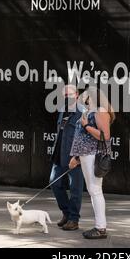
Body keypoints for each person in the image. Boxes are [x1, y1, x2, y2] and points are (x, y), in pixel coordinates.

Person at [68, 86, 114, 239]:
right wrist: (76, 157)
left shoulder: (100, 111)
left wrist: (86, 126)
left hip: (93, 155)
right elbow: (83, 138)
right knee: (93, 190)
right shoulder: (90, 111)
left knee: (95, 190)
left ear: (91, 96)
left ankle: (101, 228)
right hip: (86, 155)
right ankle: (99, 226)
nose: (82, 98)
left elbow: (105, 136)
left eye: (85, 96)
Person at [50, 84, 84, 231]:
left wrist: (77, 157)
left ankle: (74, 219)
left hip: (74, 157)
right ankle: (66, 213)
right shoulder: (62, 110)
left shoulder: (82, 112)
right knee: (54, 183)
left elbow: (85, 137)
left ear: (76, 95)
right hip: (59, 155)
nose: (66, 98)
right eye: (64, 96)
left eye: (69, 95)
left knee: (75, 188)